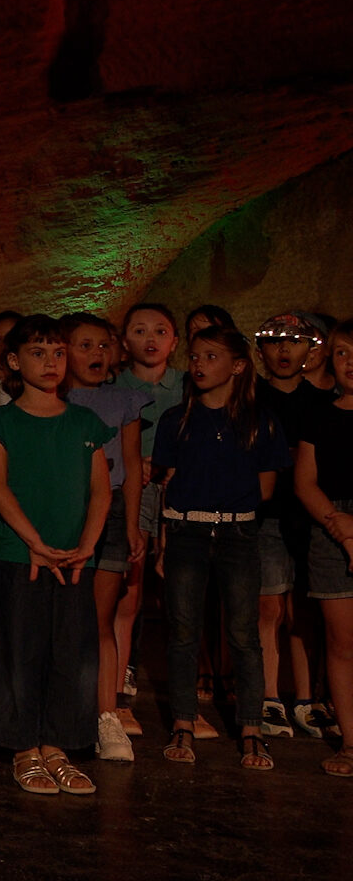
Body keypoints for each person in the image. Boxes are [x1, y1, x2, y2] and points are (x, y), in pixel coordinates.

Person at [0, 315, 113, 794]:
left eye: (58, 352)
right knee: (20, 648)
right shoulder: (3, 421)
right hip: (24, 554)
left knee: (72, 651)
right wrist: (34, 541)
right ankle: (23, 746)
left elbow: (101, 492)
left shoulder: (85, 422)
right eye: (38, 353)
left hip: (76, 556)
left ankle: (59, 744)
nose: (51, 362)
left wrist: (87, 546)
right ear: (14, 360)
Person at [154, 326, 288, 770]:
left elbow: (266, 488)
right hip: (187, 532)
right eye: (194, 356)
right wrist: (163, 540)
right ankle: (183, 723)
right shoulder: (177, 419)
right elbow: (166, 482)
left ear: (237, 365)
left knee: (243, 635)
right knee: (184, 631)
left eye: (211, 357)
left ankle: (252, 729)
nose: (198, 364)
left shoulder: (261, 421)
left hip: (238, 534)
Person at [56, 314, 147, 759]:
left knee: (100, 617)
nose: (96, 354)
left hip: (109, 511)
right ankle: (62, 711)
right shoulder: (51, 400)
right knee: (60, 614)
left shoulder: (123, 401)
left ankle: (106, 715)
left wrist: (131, 524)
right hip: (64, 512)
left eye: (102, 346)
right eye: (84, 345)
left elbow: (130, 466)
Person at [253, 312, 330, 737]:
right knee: (268, 607)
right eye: (274, 341)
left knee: (304, 608)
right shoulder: (250, 398)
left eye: (294, 341)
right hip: (264, 513)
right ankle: (267, 696)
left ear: (310, 349)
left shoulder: (321, 403)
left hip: (308, 516)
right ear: (260, 349)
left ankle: (306, 698)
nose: (284, 350)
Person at [114, 302, 183, 714]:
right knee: (130, 584)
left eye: (160, 330)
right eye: (139, 331)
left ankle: (183, 689)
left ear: (174, 341)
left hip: (180, 491)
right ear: (124, 342)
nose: (150, 338)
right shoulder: (115, 385)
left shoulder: (186, 384)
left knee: (179, 586)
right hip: (133, 489)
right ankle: (121, 674)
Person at [292, 320, 353, 775]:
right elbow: (305, 482)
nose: (350, 363)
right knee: (341, 642)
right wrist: (343, 529)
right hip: (332, 526)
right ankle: (351, 743)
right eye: (342, 353)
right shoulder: (319, 414)